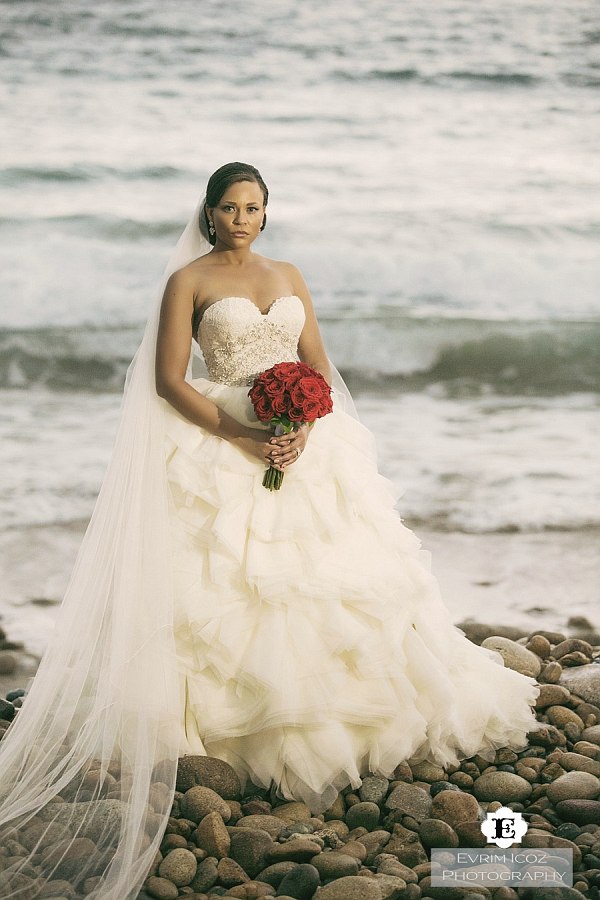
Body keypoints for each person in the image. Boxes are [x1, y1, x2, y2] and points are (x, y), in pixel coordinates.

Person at [0, 162, 541, 899]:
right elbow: (169, 380)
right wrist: (243, 436)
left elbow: (314, 365)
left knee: (329, 577)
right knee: (228, 580)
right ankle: (224, 733)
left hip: (300, 443)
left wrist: (301, 434)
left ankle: (344, 714)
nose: (243, 218)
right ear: (210, 211)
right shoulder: (186, 282)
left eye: (254, 207)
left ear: (266, 213)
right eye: (230, 206)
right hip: (223, 437)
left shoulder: (288, 272)